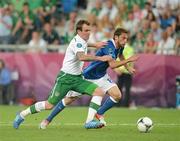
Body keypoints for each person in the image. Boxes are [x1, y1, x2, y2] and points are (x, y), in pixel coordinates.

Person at [13, 19, 112, 129]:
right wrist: (100, 58)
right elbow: (81, 57)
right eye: (86, 30)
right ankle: (22, 114)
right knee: (49, 105)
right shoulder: (78, 42)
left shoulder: (81, 41)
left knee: (99, 92)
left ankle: (88, 122)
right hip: (65, 79)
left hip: (78, 78)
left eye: (89, 30)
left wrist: (95, 44)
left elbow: (84, 44)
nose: (88, 32)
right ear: (79, 31)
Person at [39, 28, 139, 129]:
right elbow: (113, 65)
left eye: (127, 38)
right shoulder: (109, 46)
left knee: (117, 95)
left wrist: (128, 67)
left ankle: (99, 113)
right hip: (88, 76)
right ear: (116, 37)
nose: (125, 40)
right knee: (68, 100)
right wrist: (129, 60)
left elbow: (120, 55)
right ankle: (48, 119)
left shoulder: (120, 46)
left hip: (101, 76)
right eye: (123, 38)